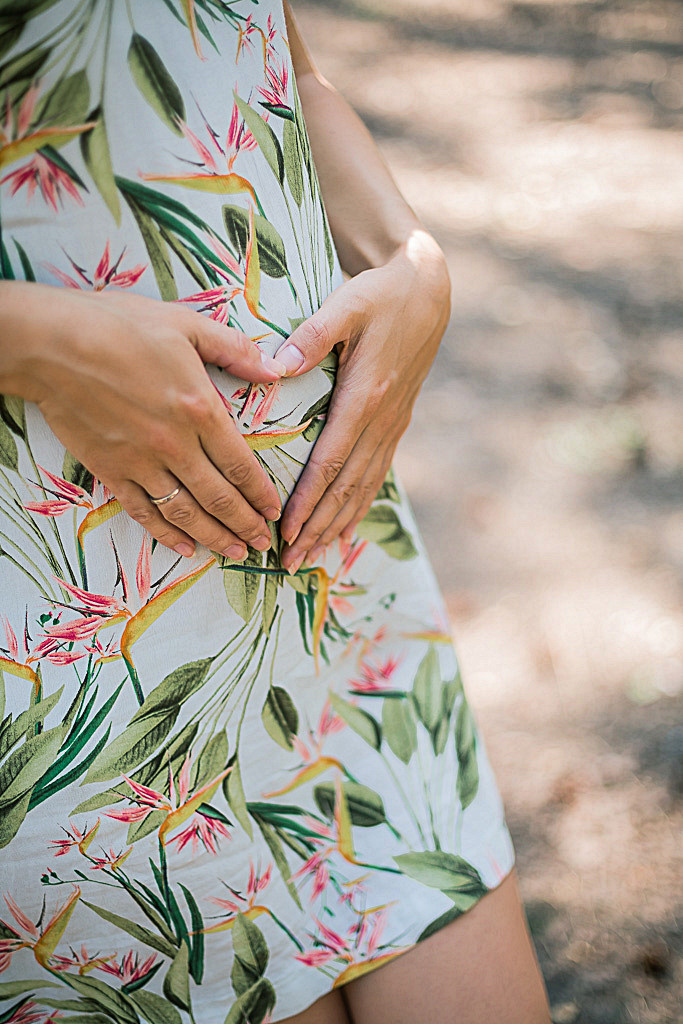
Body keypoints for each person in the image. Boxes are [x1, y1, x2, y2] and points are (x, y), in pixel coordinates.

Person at [0, 2, 551, 1022]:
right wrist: (39, 340)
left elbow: (267, 50)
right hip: (76, 638)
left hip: (338, 580)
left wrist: (408, 258)